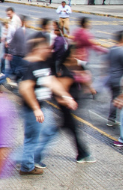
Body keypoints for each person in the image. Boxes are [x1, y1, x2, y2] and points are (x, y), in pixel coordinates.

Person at [18, 38, 78, 175]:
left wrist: (66, 97)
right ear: (37, 49)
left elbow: (51, 82)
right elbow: (25, 88)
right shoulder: (31, 65)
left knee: (49, 132)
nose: (50, 50)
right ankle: (25, 165)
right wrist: (35, 108)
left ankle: (31, 159)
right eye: (46, 48)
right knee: (32, 138)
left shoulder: (43, 64)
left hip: (42, 106)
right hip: (33, 108)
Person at [55, 46, 96, 163]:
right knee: (72, 129)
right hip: (67, 105)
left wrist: (89, 86)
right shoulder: (64, 69)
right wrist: (66, 101)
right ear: (69, 55)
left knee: (67, 127)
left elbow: (85, 78)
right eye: (76, 53)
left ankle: (83, 154)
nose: (78, 55)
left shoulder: (77, 66)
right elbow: (60, 90)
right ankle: (83, 154)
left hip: (73, 103)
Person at [106, 30, 123, 127]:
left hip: (111, 78)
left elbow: (107, 63)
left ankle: (111, 119)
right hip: (119, 80)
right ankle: (114, 120)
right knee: (121, 100)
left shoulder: (112, 49)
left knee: (114, 99)